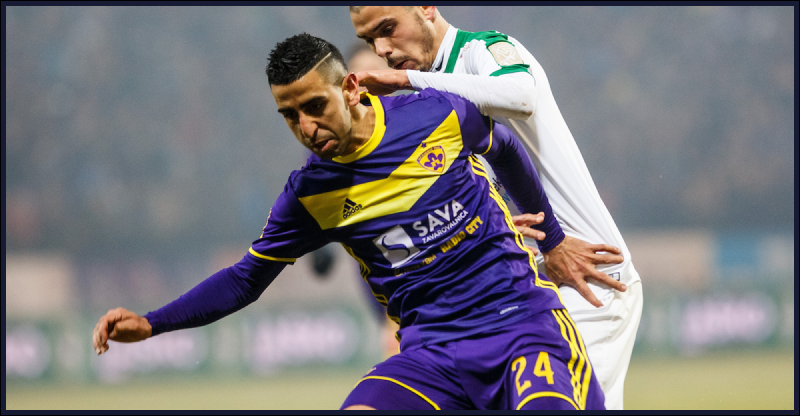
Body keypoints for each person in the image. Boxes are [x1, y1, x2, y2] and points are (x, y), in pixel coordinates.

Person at [92, 33, 605, 410]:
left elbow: (506, 147)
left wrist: (554, 242)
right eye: (290, 115)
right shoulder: (310, 195)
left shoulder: (435, 115)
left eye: (315, 106)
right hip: (432, 352)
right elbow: (245, 279)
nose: (306, 127)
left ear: (352, 88)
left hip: (520, 325)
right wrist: (152, 322)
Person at [350, 6, 643, 410]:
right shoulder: (429, 102)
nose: (382, 49)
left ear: (426, 8)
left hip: (587, 274)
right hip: (523, 292)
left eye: (388, 28)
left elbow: (522, 97)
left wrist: (406, 80)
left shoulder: (485, 49)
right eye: (370, 40)